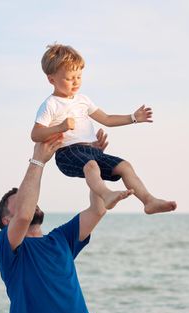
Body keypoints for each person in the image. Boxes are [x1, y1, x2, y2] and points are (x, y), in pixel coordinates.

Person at [0, 131, 119, 313]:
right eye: (21, 199)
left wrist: (92, 164)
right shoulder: (8, 246)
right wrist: (38, 160)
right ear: (6, 220)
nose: (32, 202)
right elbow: (23, 214)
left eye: (29, 197)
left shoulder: (61, 238)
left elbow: (98, 210)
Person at [31, 43, 177, 214]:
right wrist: (60, 127)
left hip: (92, 151)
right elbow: (36, 134)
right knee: (92, 166)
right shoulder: (50, 104)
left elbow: (106, 119)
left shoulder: (83, 100)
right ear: (51, 79)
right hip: (67, 153)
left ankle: (148, 201)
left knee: (125, 166)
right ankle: (107, 195)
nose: (76, 82)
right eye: (70, 78)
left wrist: (133, 118)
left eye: (79, 76)